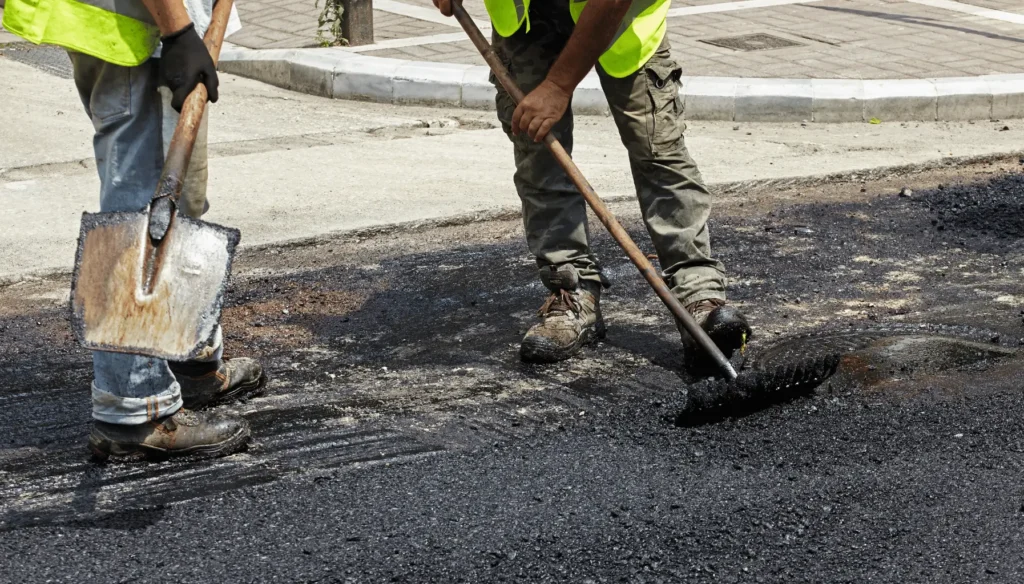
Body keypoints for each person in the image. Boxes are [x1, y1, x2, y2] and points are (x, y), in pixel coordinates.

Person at [2, 0, 265, 461]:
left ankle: (190, 359)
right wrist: (178, 32)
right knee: (141, 204)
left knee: (182, 197)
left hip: (154, 23)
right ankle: (133, 406)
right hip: (135, 25)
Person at [432, 0, 752, 365]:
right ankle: (570, 291)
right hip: (526, 20)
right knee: (540, 152)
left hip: (620, 18)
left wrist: (557, 86)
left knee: (659, 151)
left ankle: (699, 297)